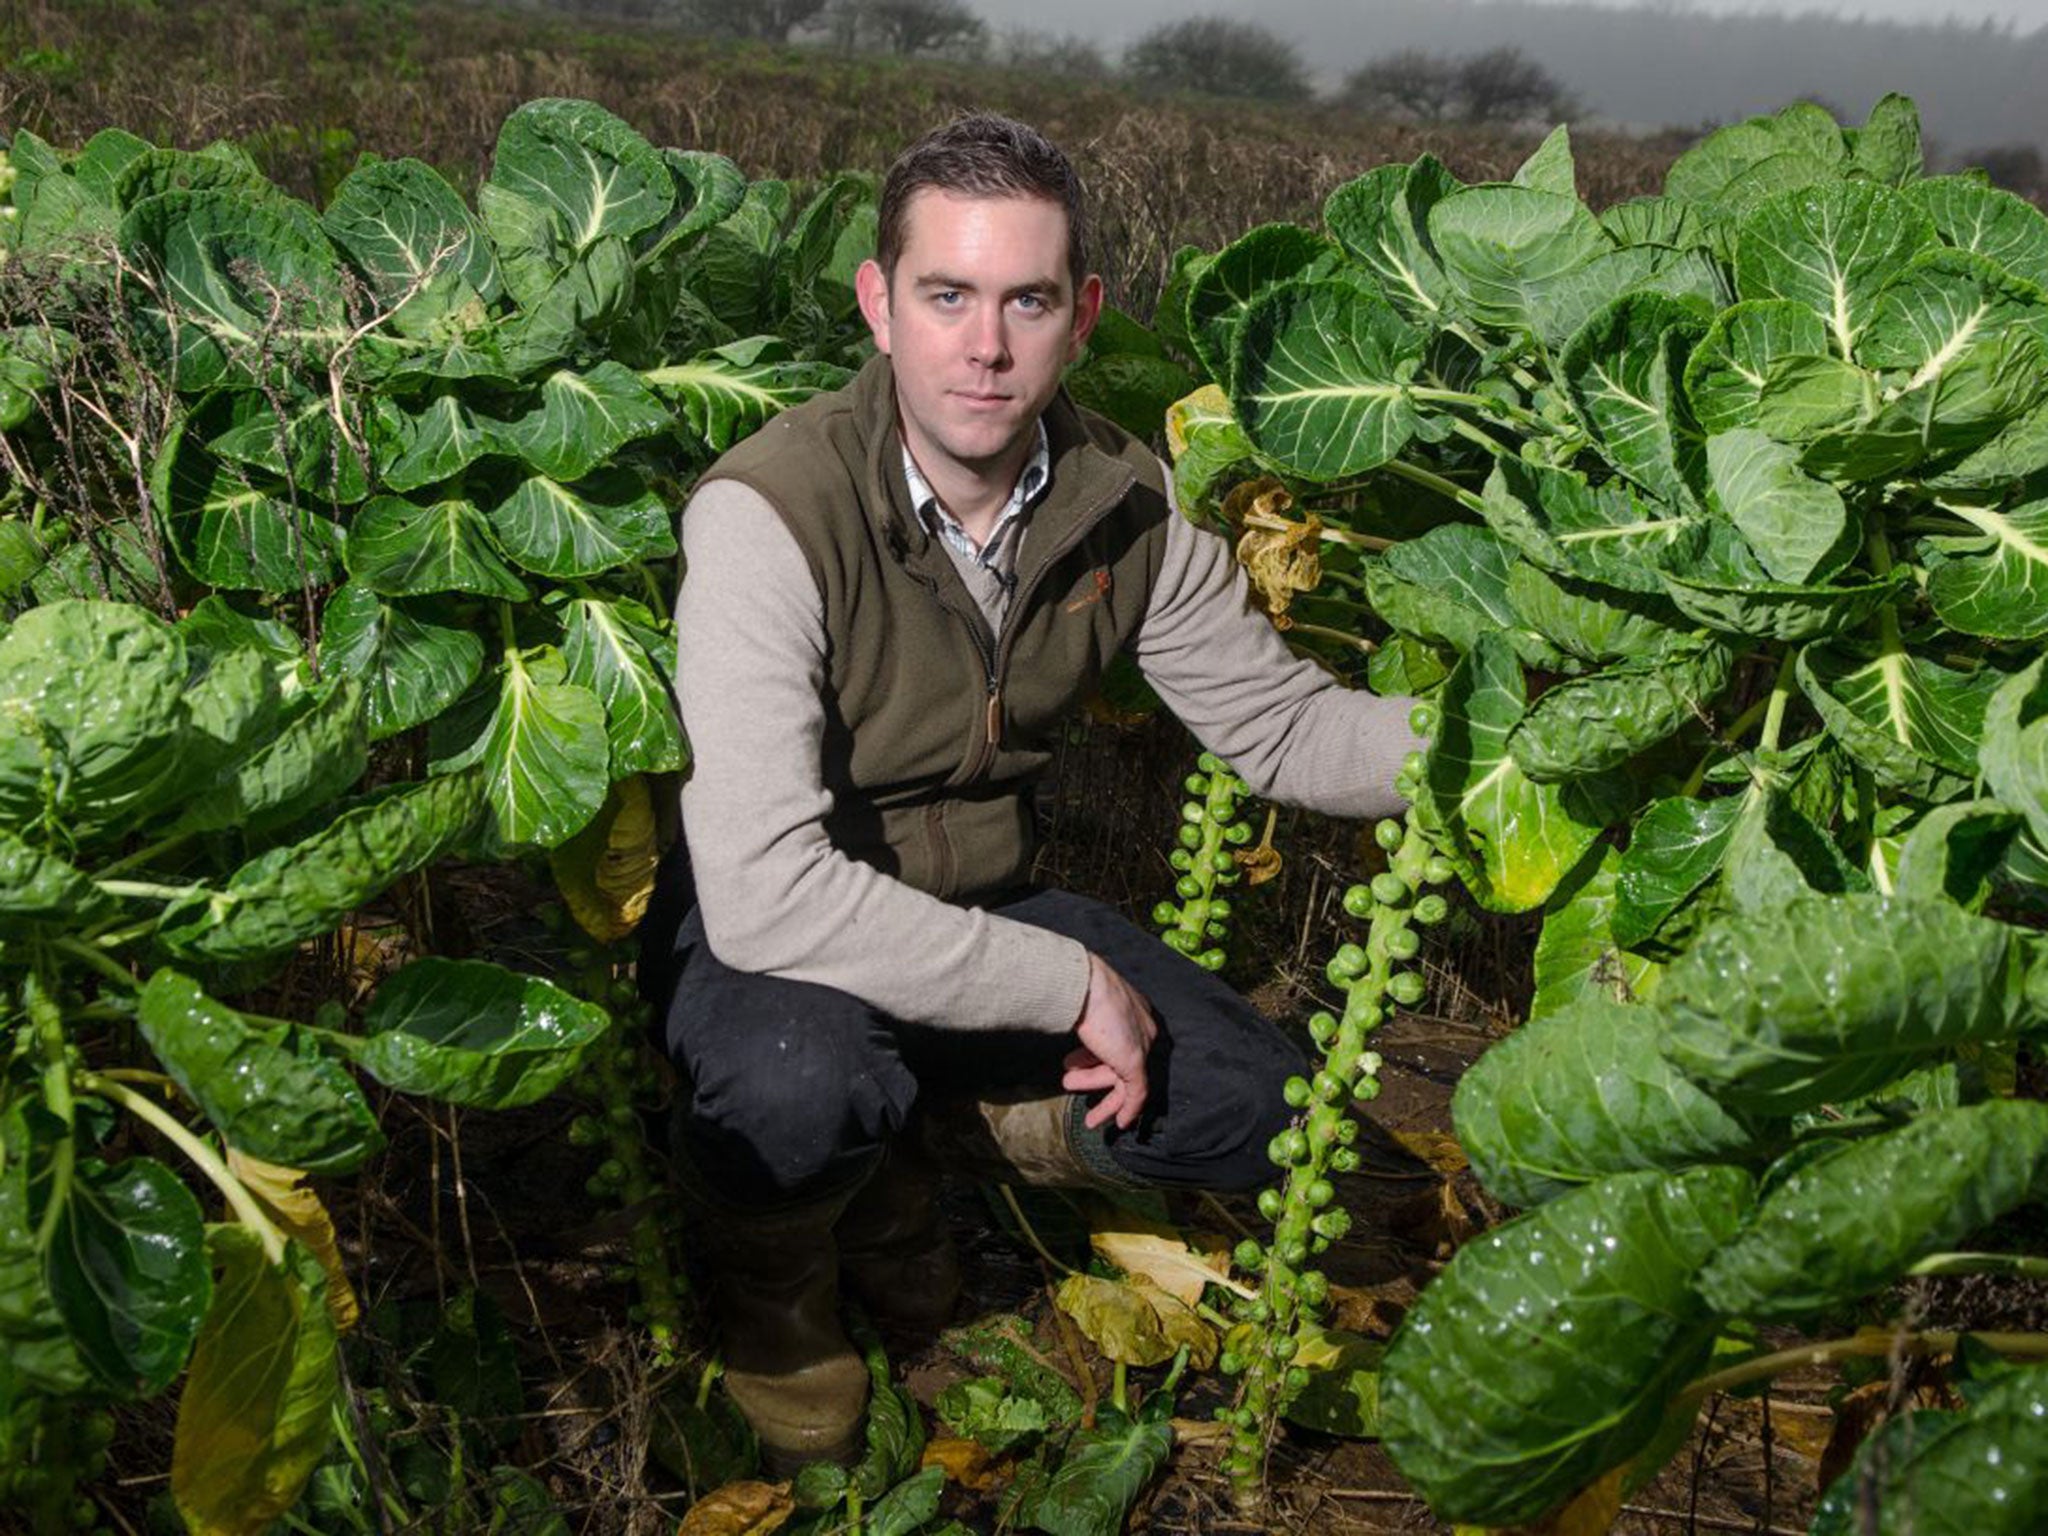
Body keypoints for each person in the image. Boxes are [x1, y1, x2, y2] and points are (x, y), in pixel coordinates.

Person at [644, 112, 1422, 1472]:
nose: (985, 346)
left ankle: (929, 1141)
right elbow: (767, 894)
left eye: (1027, 300)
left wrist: (1506, 737)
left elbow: (1288, 733)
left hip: (981, 903)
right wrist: (1069, 991)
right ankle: (770, 1286)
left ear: (1083, 314)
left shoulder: (1127, 506)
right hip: (778, 938)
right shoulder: (771, 511)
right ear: (881, 305)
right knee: (796, 1083)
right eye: (947, 295)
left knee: (1261, 1112)